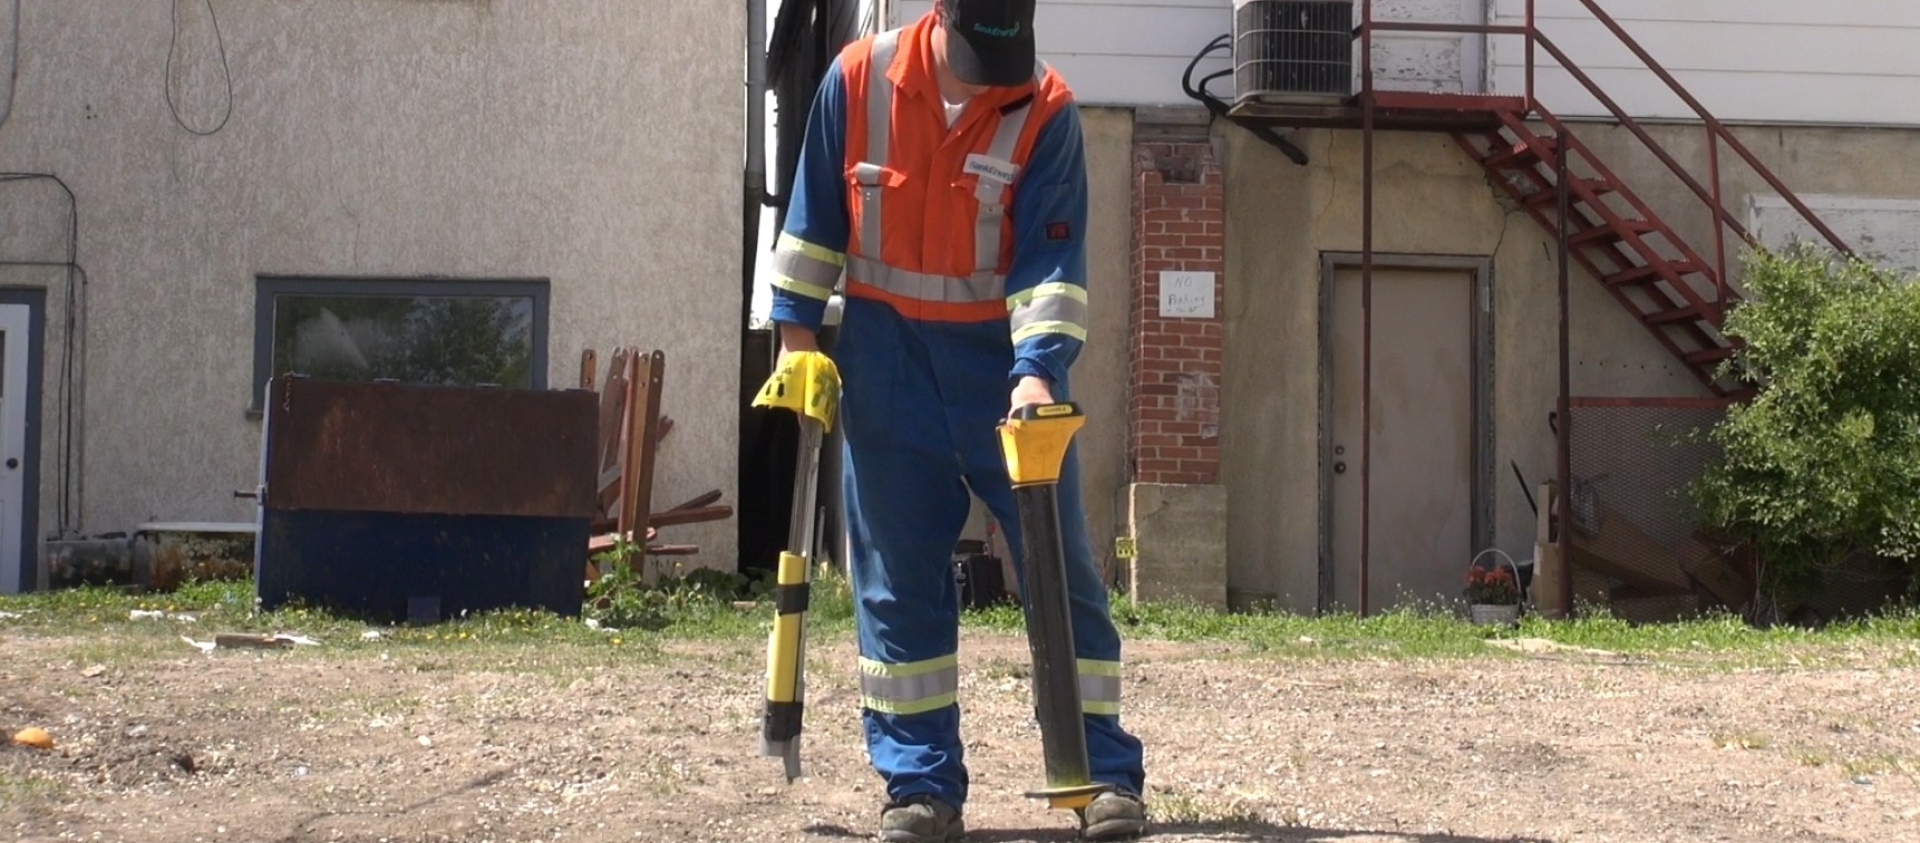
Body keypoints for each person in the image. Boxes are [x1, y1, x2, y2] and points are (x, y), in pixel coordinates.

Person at [762, 1, 1149, 840]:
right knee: (898, 582)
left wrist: (1038, 373)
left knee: (1062, 574)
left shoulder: (1046, 109)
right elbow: (808, 228)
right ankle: (919, 787)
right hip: (885, 366)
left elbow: (1052, 263)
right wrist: (796, 344)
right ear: (942, 17)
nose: (995, 74)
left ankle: (1102, 778)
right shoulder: (857, 82)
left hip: (1000, 376)